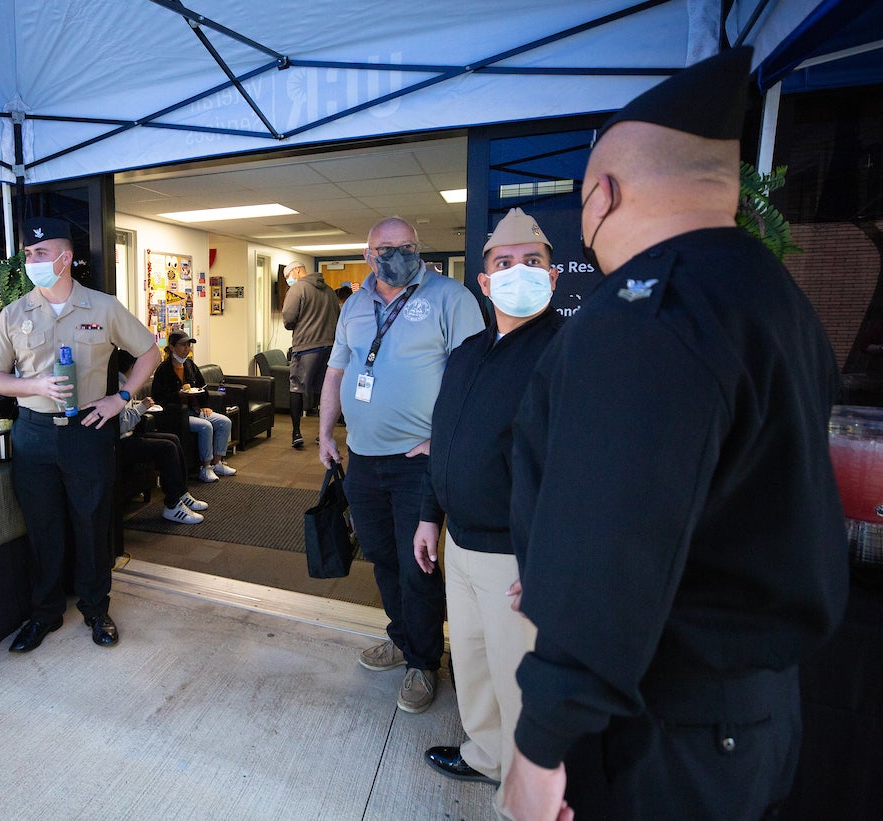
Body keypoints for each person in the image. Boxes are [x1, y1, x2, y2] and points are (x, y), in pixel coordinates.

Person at [502, 48, 848, 820]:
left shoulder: (645, 312)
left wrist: (539, 744)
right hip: (751, 716)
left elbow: (614, 538)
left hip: (663, 731)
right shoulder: (775, 298)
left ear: (604, 195)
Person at [414, 208, 560, 813]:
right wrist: (429, 514)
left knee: (516, 675)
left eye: (532, 263)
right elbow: (441, 435)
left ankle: (529, 790)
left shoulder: (565, 353)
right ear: (483, 280)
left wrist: (545, 560)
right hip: (461, 542)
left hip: (515, 556)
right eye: (504, 264)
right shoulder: (469, 352)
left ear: (553, 278)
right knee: (471, 660)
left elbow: (573, 472)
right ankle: (484, 753)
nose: (518, 272)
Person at [318, 216, 485, 714]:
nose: (398, 254)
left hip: (419, 462)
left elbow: (474, 376)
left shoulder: (450, 298)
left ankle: (423, 661)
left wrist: (442, 439)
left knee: (419, 566)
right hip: (364, 460)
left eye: (408, 245)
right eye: (387, 248)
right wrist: (327, 431)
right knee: (382, 558)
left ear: (419, 248)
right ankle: (402, 636)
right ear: (368, 254)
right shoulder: (354, 303)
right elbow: (337, 370)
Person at [0, 216, 158, 653]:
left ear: (66, 257)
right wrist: (35, 386)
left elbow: (149, 352)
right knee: (43, 528)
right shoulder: (14, 312)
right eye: (28, 255)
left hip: (88, 430)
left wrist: (120, 398)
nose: (32, 261)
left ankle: (97, 610)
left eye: (40, 254)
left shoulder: (103, 307)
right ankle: (45, 615)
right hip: (35, 434)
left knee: (92, 523)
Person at [115, 350, 209, 525]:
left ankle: (181, 493)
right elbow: (121, 424)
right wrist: (141, 408)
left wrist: (138, 408)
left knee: (173, 439)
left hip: (128, 435)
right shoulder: (119, 387)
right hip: (119, 442)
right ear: (131, 367)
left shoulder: (126, 383)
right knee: (167, 448)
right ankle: (172, 506)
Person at [151, 332, 237, 484]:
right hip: (177, 414)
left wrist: (205, 405)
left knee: (224, 422)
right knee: (205, 426)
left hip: (195, 409)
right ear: (172, 347)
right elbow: (158, 396)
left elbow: (202, 387)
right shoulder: (164, 370)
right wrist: (178, 394)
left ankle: (217, 463)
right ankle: (205, 468)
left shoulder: (190, 365)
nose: (187, 348)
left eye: (188, 345)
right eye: (183, 345)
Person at [281, 260, 340, 449]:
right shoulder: (330, 291)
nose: (288, 280)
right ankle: (323, 433)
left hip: (306, 346)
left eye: (288, 276)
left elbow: (289, 319)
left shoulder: (298, 289)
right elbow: (338, 318)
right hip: (330, 348)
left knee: (296, 387)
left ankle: (296, 432)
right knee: (325, 391)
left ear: (297, 270)